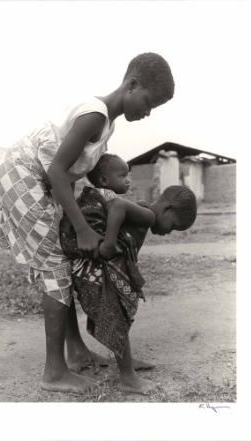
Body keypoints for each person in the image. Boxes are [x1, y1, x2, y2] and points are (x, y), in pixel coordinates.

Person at [0, 52, 175, 394]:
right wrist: (82, 228)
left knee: (61, 260)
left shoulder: (108, 126)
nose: (147, 113)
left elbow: (87, 177)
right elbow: (58, 171)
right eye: (148, 102)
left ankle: (75, 353)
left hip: (43, 181)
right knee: (54, 265)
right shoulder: (95, 115)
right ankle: (54, 372)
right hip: (23, 175)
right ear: (132, 85)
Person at [59, 154, 197, 394]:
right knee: (118, 314)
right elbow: (118, 207)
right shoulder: (149, 215)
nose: (169, 232)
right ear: (167, 209)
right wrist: (110, 243)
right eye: (173, 225)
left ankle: (126, 363)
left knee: (120, 313)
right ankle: (127, 377)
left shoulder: (143, 209)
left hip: (97, 263)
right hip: (99, 262)